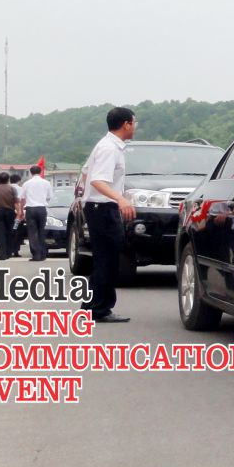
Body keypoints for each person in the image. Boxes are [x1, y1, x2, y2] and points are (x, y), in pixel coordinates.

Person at [80, 107, 137, 323]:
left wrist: (86, 196)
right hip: (102, 208)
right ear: (126, 124)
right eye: (134, 122)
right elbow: (97, 180)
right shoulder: (109, 148)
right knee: (108, 259)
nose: (135, 127)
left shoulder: (107, 145)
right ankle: (100, 309)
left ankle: (92, 306)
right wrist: (120, 199)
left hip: (99, 206)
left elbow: (86, 173)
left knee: (105, 258)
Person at [19, 164, 53, 262]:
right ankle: (43, 254)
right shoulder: (46, 183)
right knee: (42, 231)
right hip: (42, 208)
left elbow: (22, 198)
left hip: (30, 209)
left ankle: (36, 254)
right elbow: (49, 197)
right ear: (40, 171)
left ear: (31, 173)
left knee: (32, 232)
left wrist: (21, 211)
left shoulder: (26, 183)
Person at [0, 172, 18, 260]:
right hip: (10, 212)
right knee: (9, 232)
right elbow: (16, 202)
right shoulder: (12, 189)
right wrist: (19, 212)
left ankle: (2, 254)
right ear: (8, 179)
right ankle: (9, 252)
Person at [9, 173, 25, 258]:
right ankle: (15, 251)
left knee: (8, 231)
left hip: (9, 213)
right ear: (19, 180)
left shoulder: (7, 188)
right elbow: (22, 201)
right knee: (17, 232)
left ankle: (7, 250)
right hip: (18, 214)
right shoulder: (21, 189)